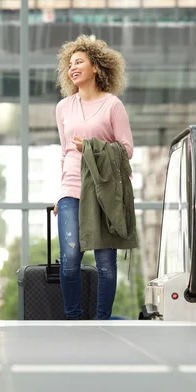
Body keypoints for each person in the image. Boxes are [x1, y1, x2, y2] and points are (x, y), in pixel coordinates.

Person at [54, 34, 134, 320]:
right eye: (70, 64)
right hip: (71, 189)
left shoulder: (113, 105)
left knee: (105, 263)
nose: (72, 68)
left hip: (102, 190)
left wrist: (90, 147)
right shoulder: (63, 107)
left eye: (79, 62)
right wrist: (59, 194)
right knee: (70, 260)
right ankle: (73, 320)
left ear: (96, 67)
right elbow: (65, 151)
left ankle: (102, 321)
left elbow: (126, 150)